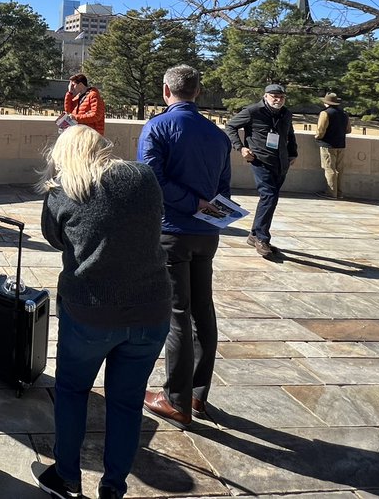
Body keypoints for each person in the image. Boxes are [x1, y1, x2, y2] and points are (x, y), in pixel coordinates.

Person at [34, 125, 172, 499]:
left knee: (72, 391)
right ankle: (113, 487)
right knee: (126, 403)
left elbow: (54, 238)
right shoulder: (142, 176)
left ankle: (67, 475)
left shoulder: (61, 192)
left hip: (90, 311)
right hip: (151, 309)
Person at [137, 64, 231, 430]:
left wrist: (189, 203)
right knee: (201, 311)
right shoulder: (217, 135)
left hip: (171, 231)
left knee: (178, 314)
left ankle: (176, 401)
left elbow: (150, 180)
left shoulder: (158, 126)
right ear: (197, 92)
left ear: (166, 91)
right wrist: (203, 205)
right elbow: (222, 188)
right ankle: (196, 393)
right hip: (206, 234)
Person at [226, 84, 297, 258]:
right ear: (265, 96)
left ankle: (254, 234)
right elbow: (230, 126)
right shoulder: (252, 111)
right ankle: (262, 239)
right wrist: (241, 148)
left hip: (281, 162)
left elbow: (290, 133)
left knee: (270, 199)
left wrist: (293, 153)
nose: (278, 100)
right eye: (274, 96)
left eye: (281, 97)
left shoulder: (286, 113)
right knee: (269, 196)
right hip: (260, 161)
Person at [314, 92, 351, 199]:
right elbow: (348, 130)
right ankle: (339, 193)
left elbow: (321, 130)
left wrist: (317, 137)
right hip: (341, 144)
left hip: (328, 144)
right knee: (339, 169)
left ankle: (331, 193)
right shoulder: (344, 113)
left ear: (326, 103)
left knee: (329, 168)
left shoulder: (325, 113)